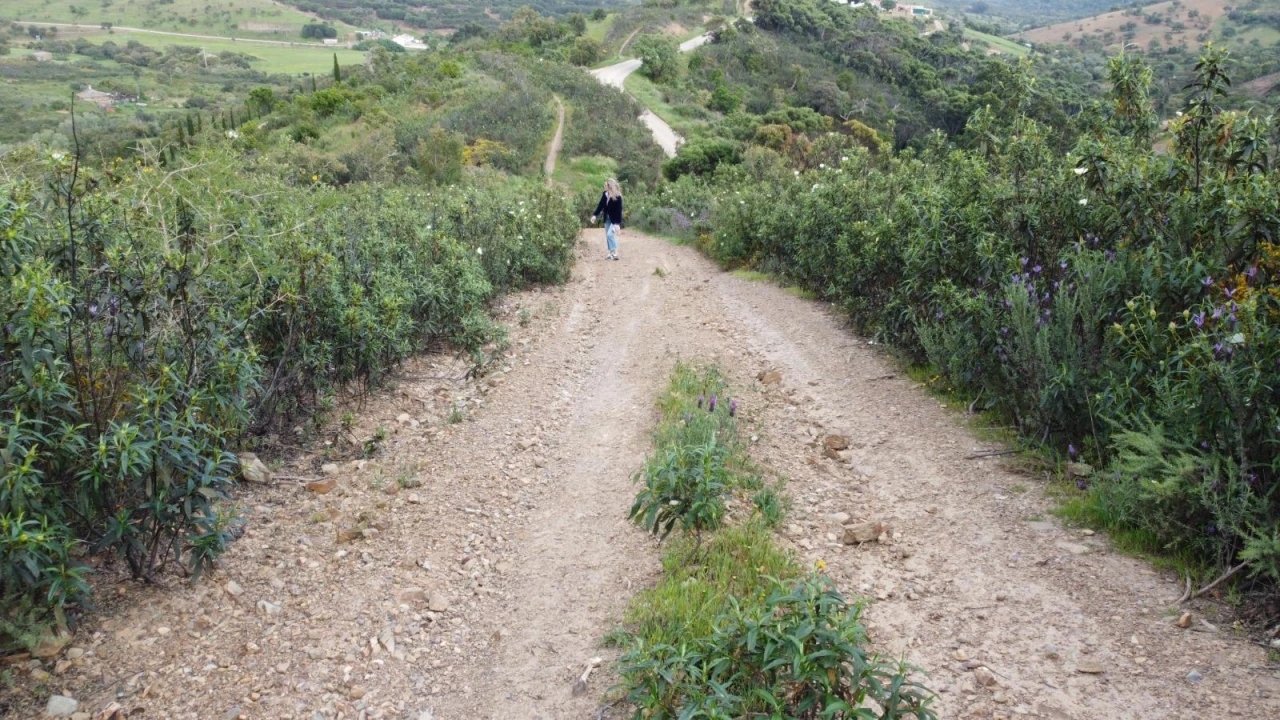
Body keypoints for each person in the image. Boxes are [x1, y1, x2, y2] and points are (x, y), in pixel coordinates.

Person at [590, 179, 624, 261]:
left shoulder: (617, 196)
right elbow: (600, 206)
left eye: (605, 185)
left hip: (614, 220)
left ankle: (615, 253)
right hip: (607, 218)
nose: (604, 187)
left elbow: (619, 210)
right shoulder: (605, 194)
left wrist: (617, 223)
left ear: (610, 186)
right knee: (608, 236)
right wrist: (595, 215)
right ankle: (610, 253)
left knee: (610, 234)